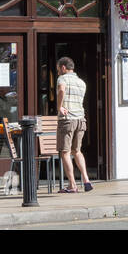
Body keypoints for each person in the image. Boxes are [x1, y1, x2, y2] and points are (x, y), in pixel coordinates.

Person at [55, 56, 92, 193]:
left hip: (67, 119)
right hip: (80, 119)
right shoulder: (81, 82)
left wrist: (59, 107)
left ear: (63, 67)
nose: (58, 71)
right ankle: (86, 180)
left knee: (65, 152)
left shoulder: (62, 79)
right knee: (77, 151)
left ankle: (72, 185)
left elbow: (61, 90)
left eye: (58, 68)